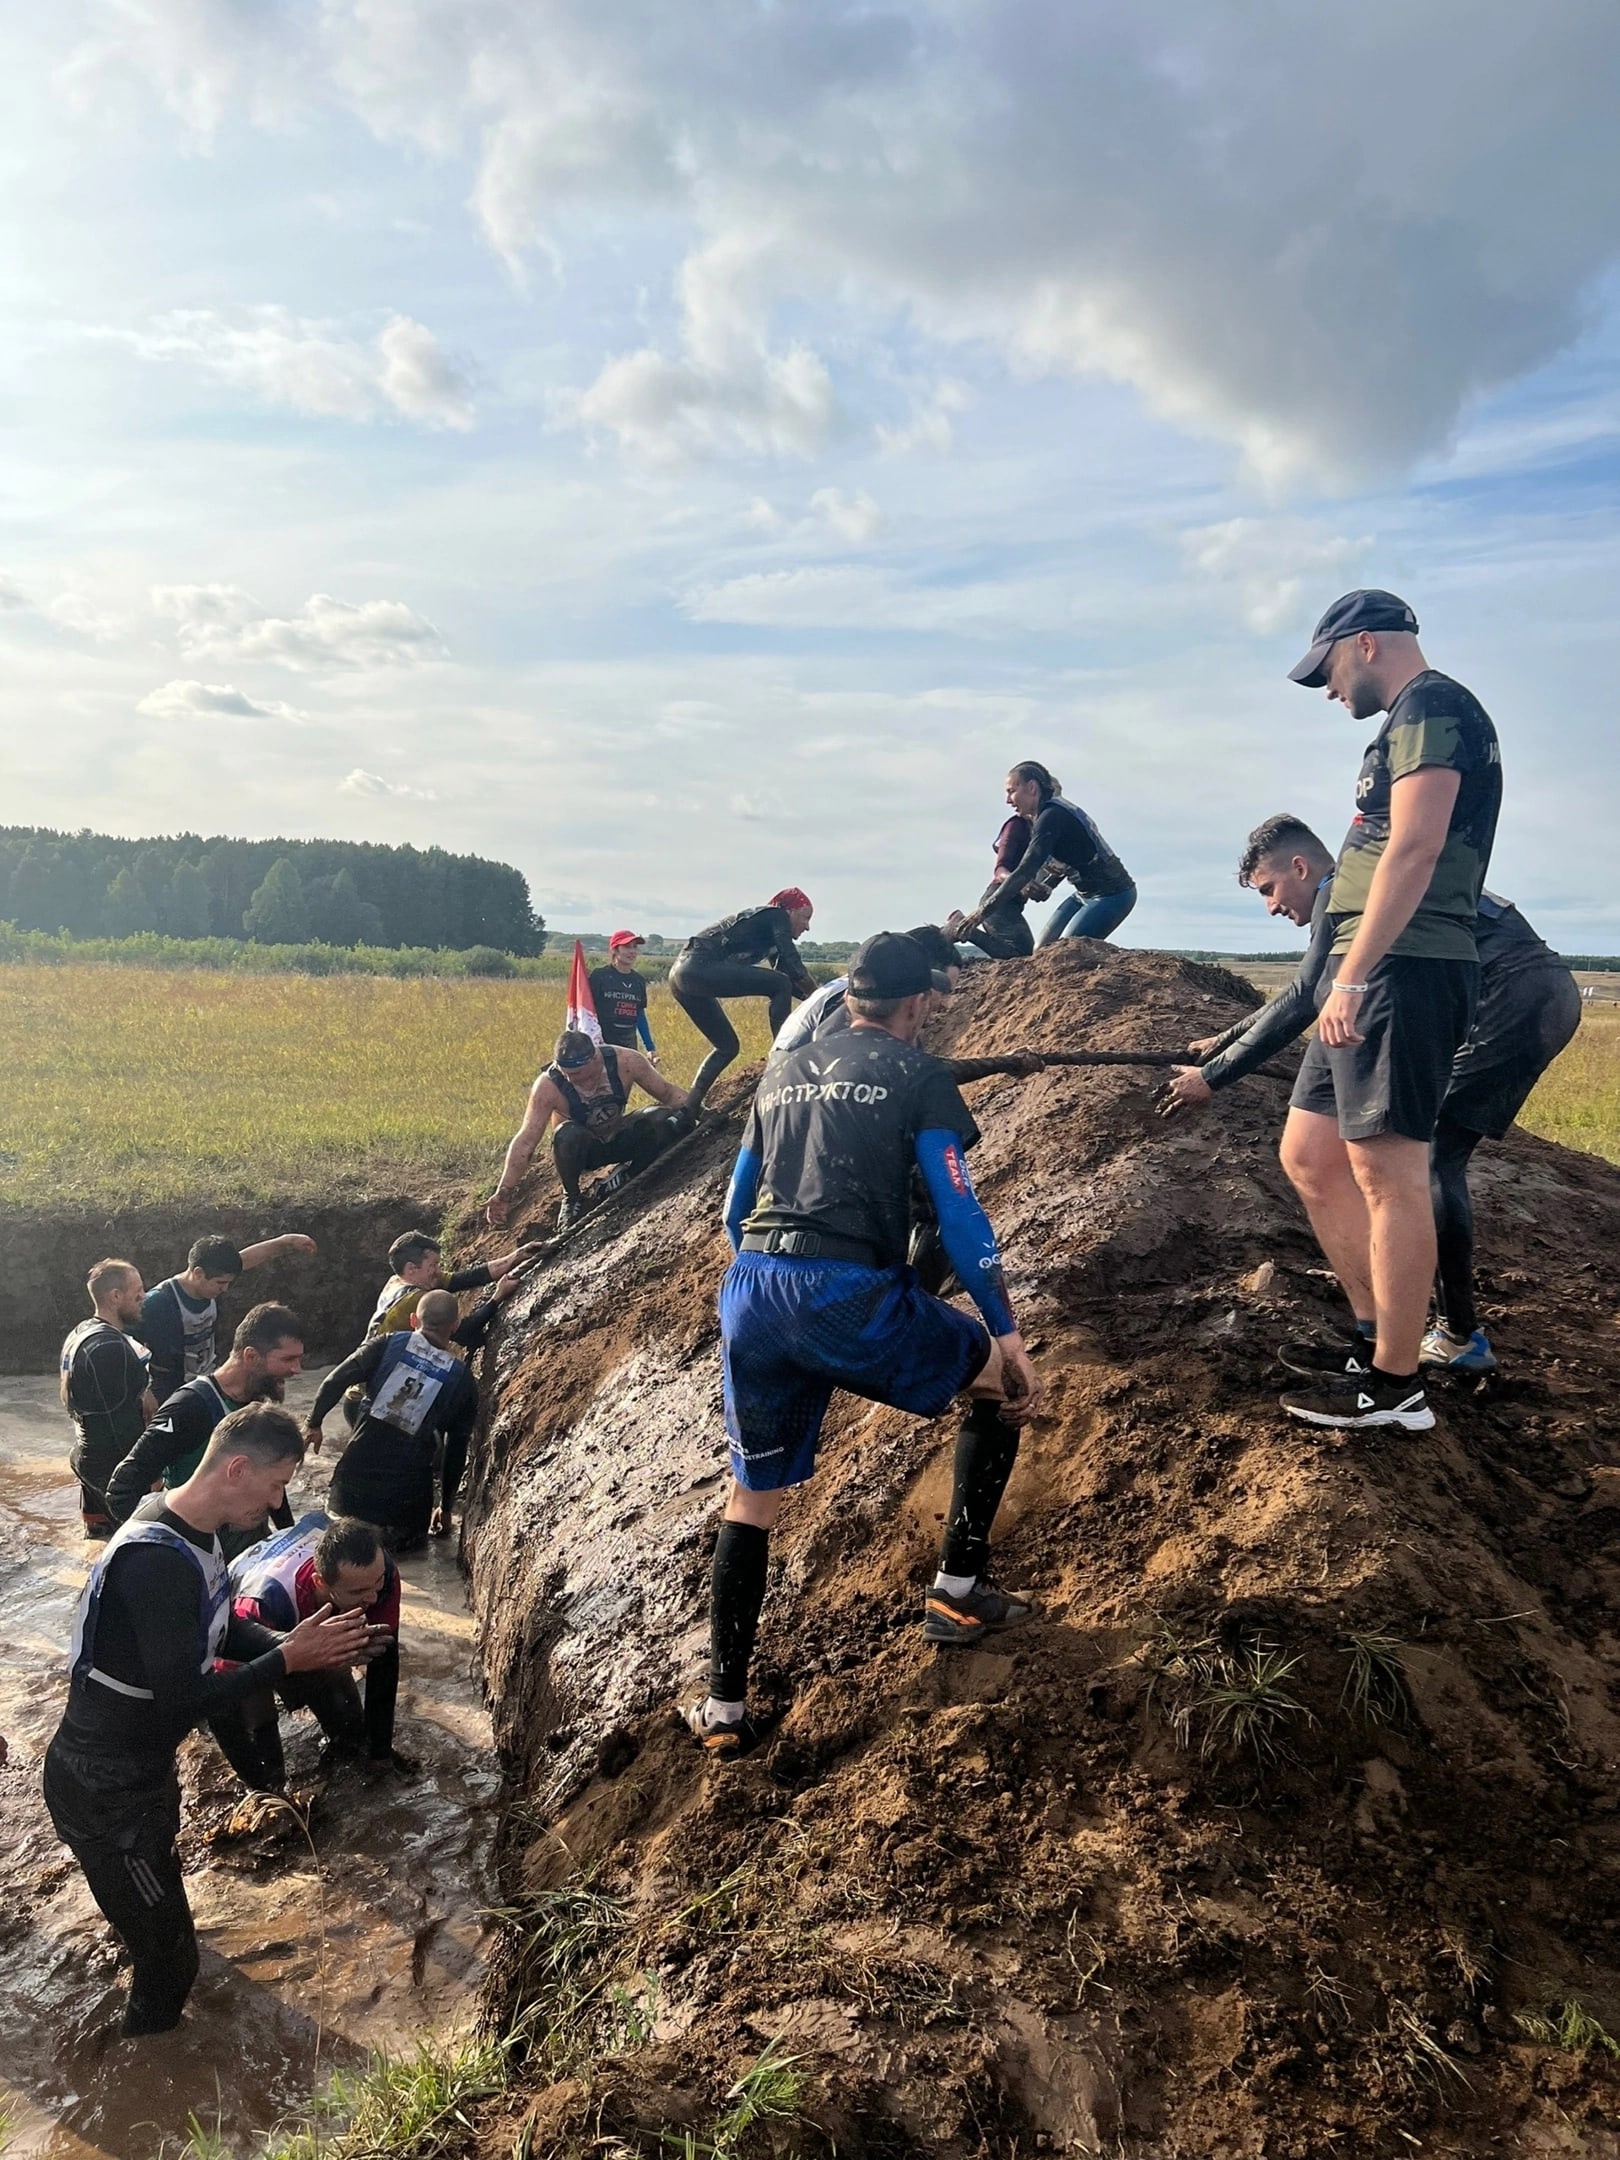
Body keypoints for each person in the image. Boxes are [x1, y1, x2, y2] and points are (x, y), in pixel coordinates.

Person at [685, 932, 1044, 1757]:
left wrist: (771, 1284)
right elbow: (958, 1215)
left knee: (752, 1501)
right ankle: (957, 1591)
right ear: (919, 1004)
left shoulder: (779, 1072)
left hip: (752, 1292)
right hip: (843, 1292)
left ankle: (724, 1712)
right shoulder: (920, 1075)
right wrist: (1007, 1332)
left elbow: (736, 1212)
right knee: (1000, 1390)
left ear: (849, 998)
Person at [1161, 815, 1579, 1380]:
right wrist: (1224, 1039)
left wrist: (1213, 1076)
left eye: (1270, 889)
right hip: (1528, 994)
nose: (1272, 907)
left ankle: (1455, 1336)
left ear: (1301, 867)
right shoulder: (1355, 888)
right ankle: (1426, 1329)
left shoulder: (1347, 891)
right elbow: (1306, 985)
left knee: (1426, 1157)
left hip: (1511, 998)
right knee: (1426, 1157)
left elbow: (1310, 996)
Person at [43, 1404, 368, 2036]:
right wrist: (286, 1660)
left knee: (157, 1921)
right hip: (106, 1791)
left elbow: (220, 1627)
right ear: (239, 1469)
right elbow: (185, 1701)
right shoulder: (157, 1561)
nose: (280, 1502)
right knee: (173, 1962)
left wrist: (288, 1640)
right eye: (277, 1485)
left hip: (138, 1772)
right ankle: (143, 2107)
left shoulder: (186, 1527)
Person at [1275, 591, 1502, 1431]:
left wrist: (1354, 973)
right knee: (1309, 1152)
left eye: (1327, 670)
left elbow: (1416, 843)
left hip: (1404, 966)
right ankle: (1377, 1334)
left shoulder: (1434, 706)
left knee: (1388, 1169)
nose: (1328, 690)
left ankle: (1397, 1386)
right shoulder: (1406, 716)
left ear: (1363, 645)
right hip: (1370, 968)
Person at [217, 1514, 405, 1787]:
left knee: (351, 1734)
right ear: (320, 1583)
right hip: (253, 1633)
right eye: (359, 1592)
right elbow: (229, 1691)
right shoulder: (264, 1604)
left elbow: (385, 1663)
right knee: (265, 1765)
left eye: (377, 1585)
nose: (373, 1598)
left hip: (302, 1610)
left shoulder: (379, 1572)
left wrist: (381, 1753)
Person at [105, 1304, 306, 1550]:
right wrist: (159, 1549)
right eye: (288, 1359)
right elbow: (122, 1488)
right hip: (200, 1554)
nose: (297, 1370)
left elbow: (272, 1476)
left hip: (249, 1551)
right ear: (251, 1356)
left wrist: (290, 1542)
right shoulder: (191, 1406)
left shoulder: (260, 1401)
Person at [303, 1290, 490, 1545]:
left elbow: (335, 1380)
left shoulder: (386, 1344)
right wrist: (445, 1509)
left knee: (341, 1550)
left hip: (351, 1490)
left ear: (414, 1320)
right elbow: (456, 1450)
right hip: (405, 1510)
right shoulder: (462, 1379)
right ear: (455, 1326)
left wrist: (313, 1422)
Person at [486, 1031, 695, 1233]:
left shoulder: (625, 1061)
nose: (574, 1080)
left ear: (595, 1058)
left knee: (662, 1118)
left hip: (620, 1135)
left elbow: (668, 1093)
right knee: (565, 1135)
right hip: (585, 1150)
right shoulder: (548, 1085)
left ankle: (628, 1175)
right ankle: (572, 1197)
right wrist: (504, 1191)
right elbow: (526, 1141)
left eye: (580, 1074)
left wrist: (700, 1113)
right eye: (568, 1075)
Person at [668, 890, 817, 1104]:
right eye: (806, 917)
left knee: (727, 1047)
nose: (807, 927)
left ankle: (689, 1108)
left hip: (681, 975)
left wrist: (817, 1000)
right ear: (790, 911)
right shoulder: (777, 915)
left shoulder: (768, 932)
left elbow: (788, 978)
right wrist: (817, 993)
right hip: (698, 966)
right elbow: (792, 963)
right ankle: (783, 1055)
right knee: (780, 983)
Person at [963, 764, 1135, 949]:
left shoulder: (1052, 816)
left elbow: (1025, 871)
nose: (1008, 800)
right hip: (1083, 894)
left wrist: (981, 913)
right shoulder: (1043, 817)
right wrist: (1046, 886)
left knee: (1064, 952)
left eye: (1012, 791)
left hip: (1112, 894)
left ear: (1032, 788)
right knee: (1041, 952)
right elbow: (1065, 863)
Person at [140, 1231, 317, 1403]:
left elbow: (245, 1259)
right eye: (220, 1283)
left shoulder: (213, 1275)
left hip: (205, 1380)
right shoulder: (158, 1302)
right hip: (168, 1390)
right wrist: (144, 1389)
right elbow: (123, 1341)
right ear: (198, 1273)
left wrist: (286, 1242)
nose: (225, 1289)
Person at [60, 1258, 157, 1538]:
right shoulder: (108, 1347)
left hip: (85, 1456)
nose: (144, 1296)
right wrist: (146, 1474)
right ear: (115, 1297)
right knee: (139, 1543)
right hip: (111, 1470)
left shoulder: (82, 1331)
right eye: (137, 1290)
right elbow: (120, 1424)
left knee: (99, 1542)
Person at [365, 1228, 540, 1340]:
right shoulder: (417, 1299)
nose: (438, 1271)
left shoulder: (397, 1280)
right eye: (433, 1265)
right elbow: (463, 1332)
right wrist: (498, 1297)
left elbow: (467, 1278)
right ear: (411, 1268)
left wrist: (516, 1256)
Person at [589, 931, 658, 1054]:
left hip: (629, 1046)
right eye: (626, 947)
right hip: (601, 1044)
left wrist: (650, 1047)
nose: (632, 951)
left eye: (634, 947)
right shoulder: (599, 976)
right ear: (615, 950)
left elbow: (640, 1015)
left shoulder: (639, 981)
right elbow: (587, 1011)